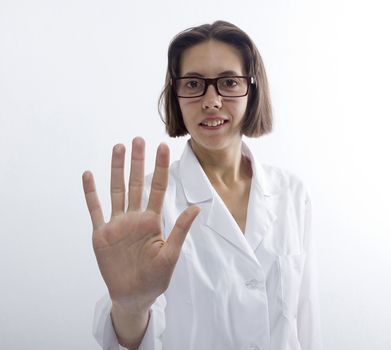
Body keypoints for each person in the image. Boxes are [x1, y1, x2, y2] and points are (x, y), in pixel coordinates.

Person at [82, 20, 322, 350]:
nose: (211, 101)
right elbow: (133, 340)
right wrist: (130, 308)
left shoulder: (292, 194)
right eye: (194, 84)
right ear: (176, 94)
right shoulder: (152, 205)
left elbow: (305, 321)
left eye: (228, 82)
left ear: (252, 89)